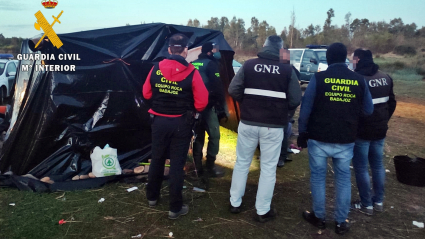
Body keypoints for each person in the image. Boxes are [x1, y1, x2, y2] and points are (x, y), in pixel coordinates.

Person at [297, 43, 374, 235]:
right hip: (346, 138)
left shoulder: (319, 78)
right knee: (343, 179)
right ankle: (341, 222)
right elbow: (368, 109)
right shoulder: (358, 79)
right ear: (345, 58)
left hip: (319, 137)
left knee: (318, 177)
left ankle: (319, 217)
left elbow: (305, 108)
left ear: (329, 59)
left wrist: (302, 132)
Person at [228, 35, 302, 222]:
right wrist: (282, 112)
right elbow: (295, 99)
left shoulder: (249, 65)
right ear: (281, 50)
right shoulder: (287, 69)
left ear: (264, 46)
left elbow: (233, 89)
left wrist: (248, 104)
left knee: (242, 162)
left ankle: (234, 203)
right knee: (268, 168)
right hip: (274, 126)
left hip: (248, 123)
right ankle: (262, 211)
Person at [142, 33, 208, 219]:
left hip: (158, 122)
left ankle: (152, 198)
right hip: (181, 123)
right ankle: (174, 208)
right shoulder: (193, 72)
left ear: (170, 49)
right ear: (186, 51)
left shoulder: (156, 68)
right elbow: (202, 103)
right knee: (177, 165)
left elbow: (146, 94)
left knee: (157, 159)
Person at [350, 49, 397, 215]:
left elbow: (353, 107)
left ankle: (366, 204)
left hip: (362, 131)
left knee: (361, 167)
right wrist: (384, 119)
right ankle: (378, 201)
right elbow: (392, 103)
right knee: (377, 165)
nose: (352, 62)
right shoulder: (385, 77)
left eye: (353, 59)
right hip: (380, 130)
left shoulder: (358, 79)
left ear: (358, 59)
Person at [191, 42, 228, 177]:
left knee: (198, 136)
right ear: (209, 52)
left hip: (193, 106)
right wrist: (220, 105)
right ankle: (210, 167)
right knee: (214, 136)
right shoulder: (211, 64)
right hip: (207, 106)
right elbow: (217, 86)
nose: (216, 52)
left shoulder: (193, 63)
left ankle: (197, 167)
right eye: (214, 50)